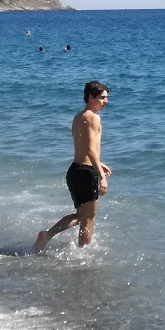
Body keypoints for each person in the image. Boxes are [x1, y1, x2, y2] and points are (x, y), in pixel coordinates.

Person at [33, 81, 112, 252]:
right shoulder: (93, 118)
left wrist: (99, 163)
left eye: (106, 98)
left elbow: (83, 147)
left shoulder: (78, 117)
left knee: (82, 215)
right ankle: (84, 255)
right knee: (88, 218)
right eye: (102, 98)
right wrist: (102, 176)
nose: (106, 101)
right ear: (91, 97)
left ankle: (47, 235)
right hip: (86, 173)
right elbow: (91, 149)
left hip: (75, 171)